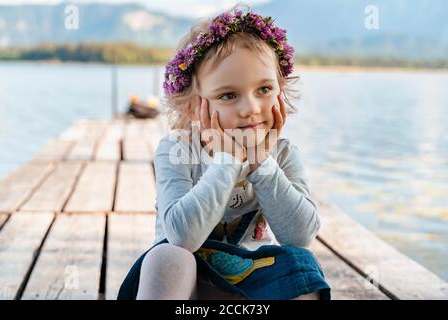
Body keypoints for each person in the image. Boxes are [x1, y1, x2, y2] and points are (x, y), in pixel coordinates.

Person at [117, 4, 331, 300]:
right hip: (187, 286)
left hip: (250, 283)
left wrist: (261, 163)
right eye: (228, 95)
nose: (251, 109)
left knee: (302, 266)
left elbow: (301, 236)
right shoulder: (177, 150)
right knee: (166, 257)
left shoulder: (282, 154)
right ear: (193, 106)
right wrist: (227, 162)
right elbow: (182, 237)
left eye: (264, 89)